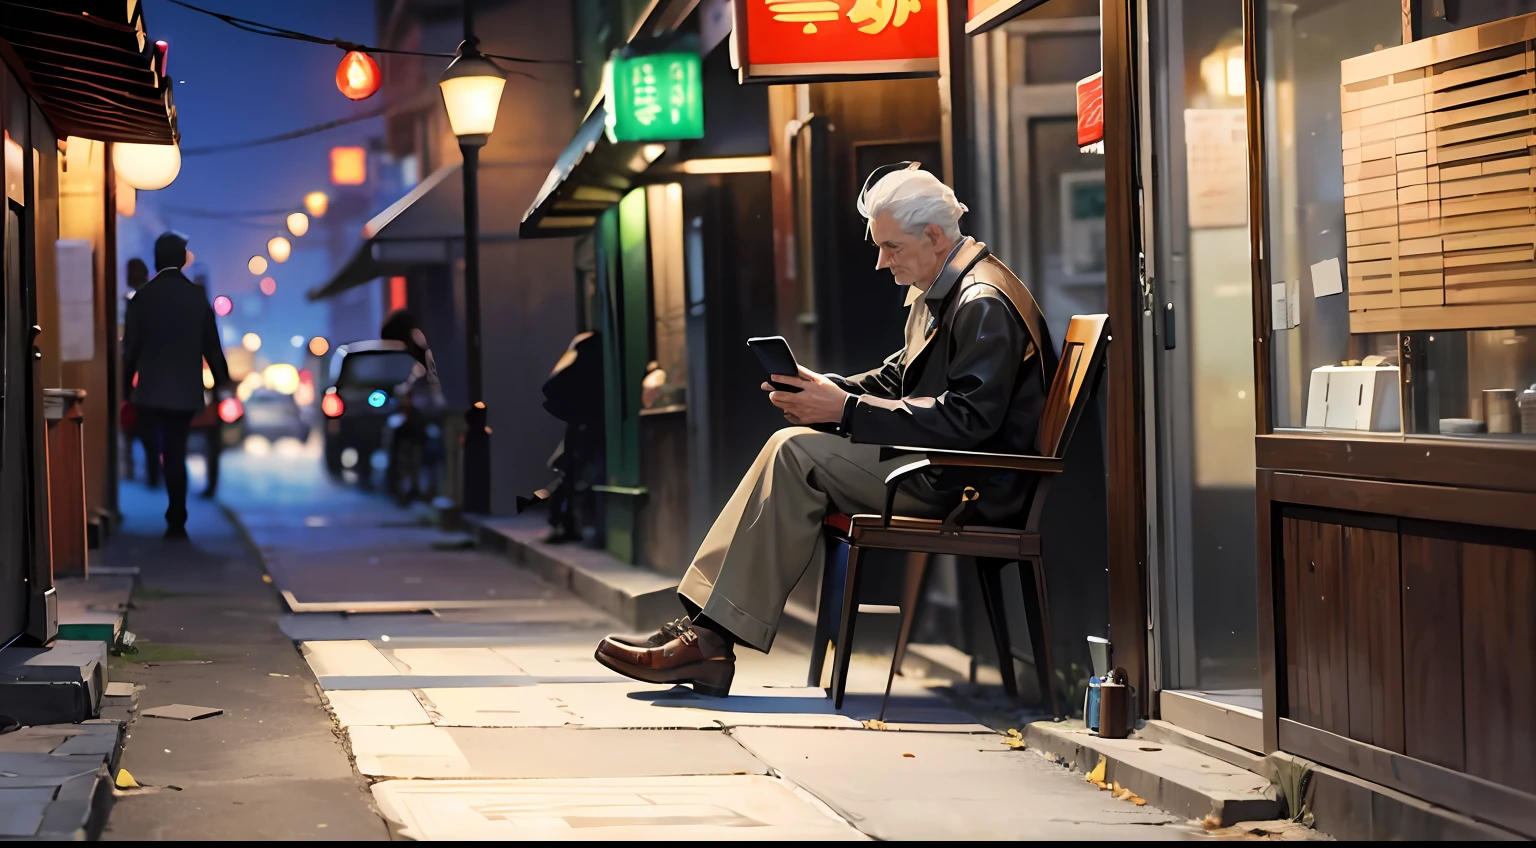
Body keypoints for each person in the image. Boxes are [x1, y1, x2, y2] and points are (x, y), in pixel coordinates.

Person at [594, 163, 1057, 697]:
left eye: (892, 247)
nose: (882, 261)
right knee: (792, 448)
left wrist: (843, 409)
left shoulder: (980, 302)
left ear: (933, 236)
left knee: (795, 453)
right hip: (942, 471)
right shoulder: (948, 287)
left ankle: (709, 637)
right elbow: (897, 377)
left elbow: (968, 422)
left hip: (968, 483)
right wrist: (825, 388)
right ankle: (707, 632)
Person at [122, 232, 231, 539]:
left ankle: (163, 490)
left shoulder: (143, 298)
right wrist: (222, 382)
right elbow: (212, 346)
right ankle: (177, 515)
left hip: (151, 389)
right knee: (176, 448)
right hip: (185, 390)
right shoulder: (196, 297)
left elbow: (130, 349)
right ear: (182, 259)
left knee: (157, 443)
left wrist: (123, 388)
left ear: (157, 259)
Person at [121, 258, 159, 486]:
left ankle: (152, 474)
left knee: (146, 429)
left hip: (145, 376)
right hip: (162, 373)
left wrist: (126, 385)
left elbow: (132, 346)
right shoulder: (158, 298)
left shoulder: (136, 302)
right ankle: (159, 473)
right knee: (161, 430)